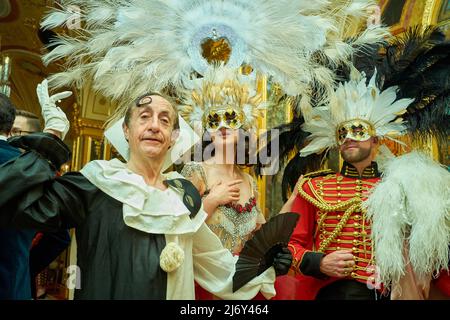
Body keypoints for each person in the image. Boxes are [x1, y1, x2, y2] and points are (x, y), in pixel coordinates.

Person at [0, 88, 292, 299]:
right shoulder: (95, 181)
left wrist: (265, 264)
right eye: (144, 116)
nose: (154, 124)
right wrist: (51, 137)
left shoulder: (185, 194)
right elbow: (14, 203)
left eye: (165, 120)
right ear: (126, 130)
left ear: (174, 138)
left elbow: (216, 265)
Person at [10, 106, 71, 299]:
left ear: (33, 138)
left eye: (17, 132)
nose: (10, 137)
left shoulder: (45, 181)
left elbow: (59, 236)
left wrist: (25, 264)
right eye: (8, 131)